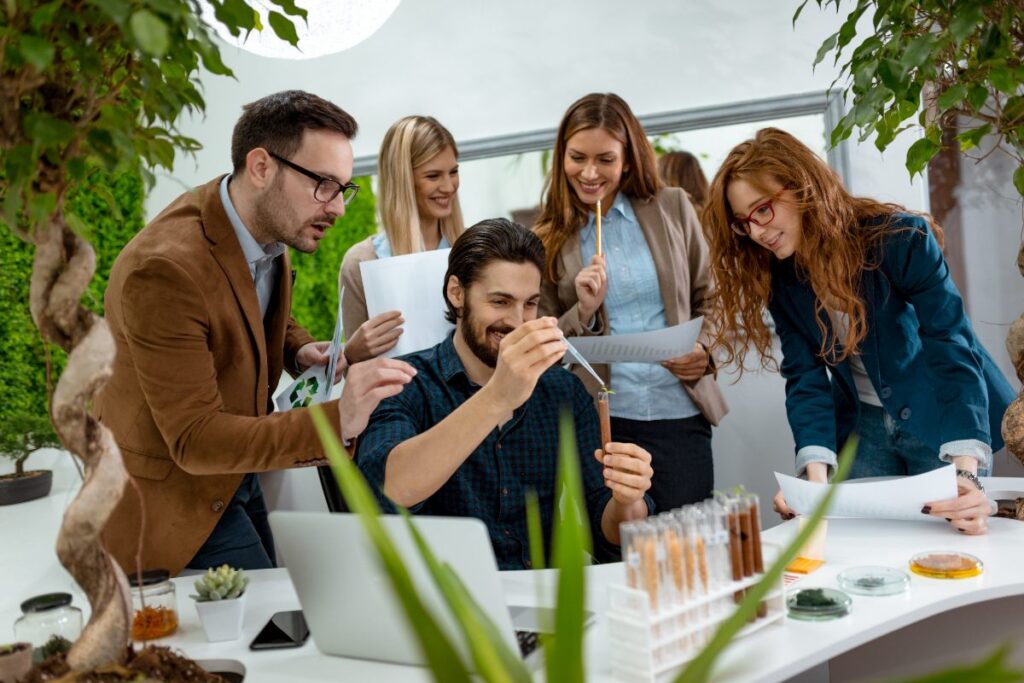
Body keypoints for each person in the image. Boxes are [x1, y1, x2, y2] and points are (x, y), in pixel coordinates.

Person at [97, 90, 417, 576]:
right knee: (276, 628)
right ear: (262, 166)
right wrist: (339, 420)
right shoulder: (163, 270)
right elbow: (195, 438)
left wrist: (297, 346)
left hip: (237, 475)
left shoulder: (263, 225)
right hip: (174, 501)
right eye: (324, 185)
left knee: (286, 618)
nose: (338, 208)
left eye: (344, 189)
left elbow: (243, 306)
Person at [701, 127, 1015, 535]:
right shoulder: (780, 277)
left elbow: (951, 345)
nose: (757, 231)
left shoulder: (901, 239)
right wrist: (812, 487)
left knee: (955, 542)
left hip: (940, 412)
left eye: (762, 210)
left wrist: (967, 474)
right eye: (743, 223)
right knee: (864, 547)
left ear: (802, 187)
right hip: (863, 426)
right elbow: (805, 378)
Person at [356, 219, 654, 570]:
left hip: (546, 603)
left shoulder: (562, 390)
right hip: (445, 606)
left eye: (530, 304)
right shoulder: (404, 383)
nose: (516, 321)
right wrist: (498, 396)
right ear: (457, 293)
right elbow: (389, 491)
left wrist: (628, 502)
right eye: (500, 301)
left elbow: (606, 530)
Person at [534, 93, 727, 512]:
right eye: (577, 157)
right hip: (604, 420)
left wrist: (703, 350)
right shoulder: (546, 235)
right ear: (561, 157)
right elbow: (541, 334)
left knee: (687, 546)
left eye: (605, 159)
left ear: (628, 159)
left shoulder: (672, 206)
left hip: (680, 410)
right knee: (621, 550)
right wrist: (582, 309)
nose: (588, 173)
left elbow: (710, 294)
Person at [339, 115, 465, 362]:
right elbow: (356, 371)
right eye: (433, 176)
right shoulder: (361, 263)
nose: (449, 186)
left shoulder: (475, 250)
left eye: (453, 171)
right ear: (403, 180)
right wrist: (351, 353)